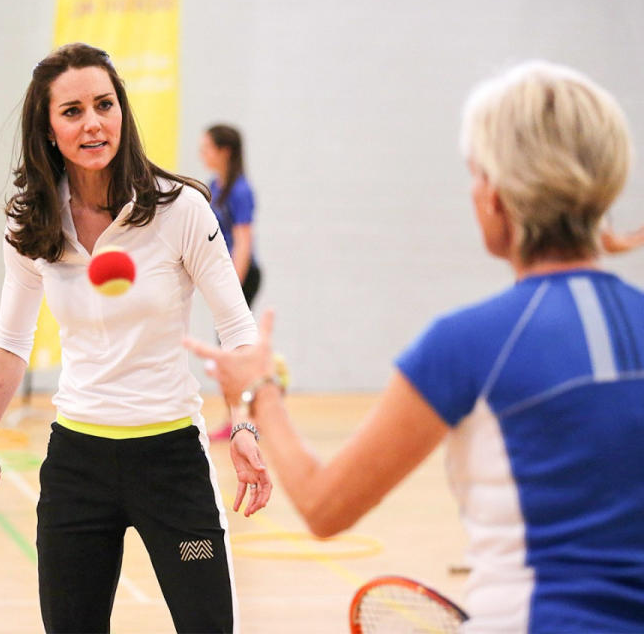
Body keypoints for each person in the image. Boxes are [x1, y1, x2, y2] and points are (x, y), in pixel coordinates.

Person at [186, 61, 644, 633]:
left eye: (476, 173)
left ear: (499, 194)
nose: (473, 189)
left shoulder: (470, 344)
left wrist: (257, 390)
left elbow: (325, 505)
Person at [0, 43, 271, 634]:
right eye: (72, 111)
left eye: (104, 104)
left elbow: (236, 327)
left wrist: (246, 425)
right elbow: (9, 340)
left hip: (172, 464)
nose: (93, 122)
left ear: (122, 114)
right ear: (48, 128)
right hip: (77, 466)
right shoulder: (32, 221)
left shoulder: (182, 209)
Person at [198, 124, 261, 441]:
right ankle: (238, 415)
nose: (201, 153)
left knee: (232, 349)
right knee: (227, 351)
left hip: (241, 275)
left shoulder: (240, 190)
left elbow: (243, 240)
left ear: (225, 151)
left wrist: (232, 286)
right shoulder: (215, 185)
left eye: (207, 147)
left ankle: (243, 418)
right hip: (225, 275)